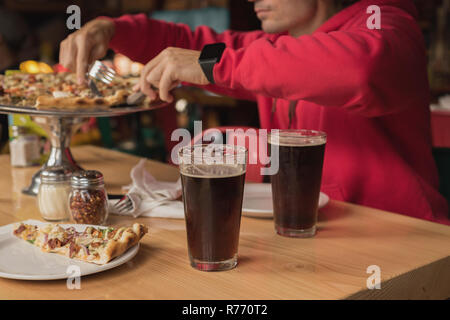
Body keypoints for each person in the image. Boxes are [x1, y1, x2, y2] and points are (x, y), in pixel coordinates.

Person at [59, 0, 450, 225]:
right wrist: (110, 29)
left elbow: (358, 71)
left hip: (411, 244)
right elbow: (187, 40)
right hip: (319, 240)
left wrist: (214, 65)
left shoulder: (390, 26)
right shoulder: (270, 45)